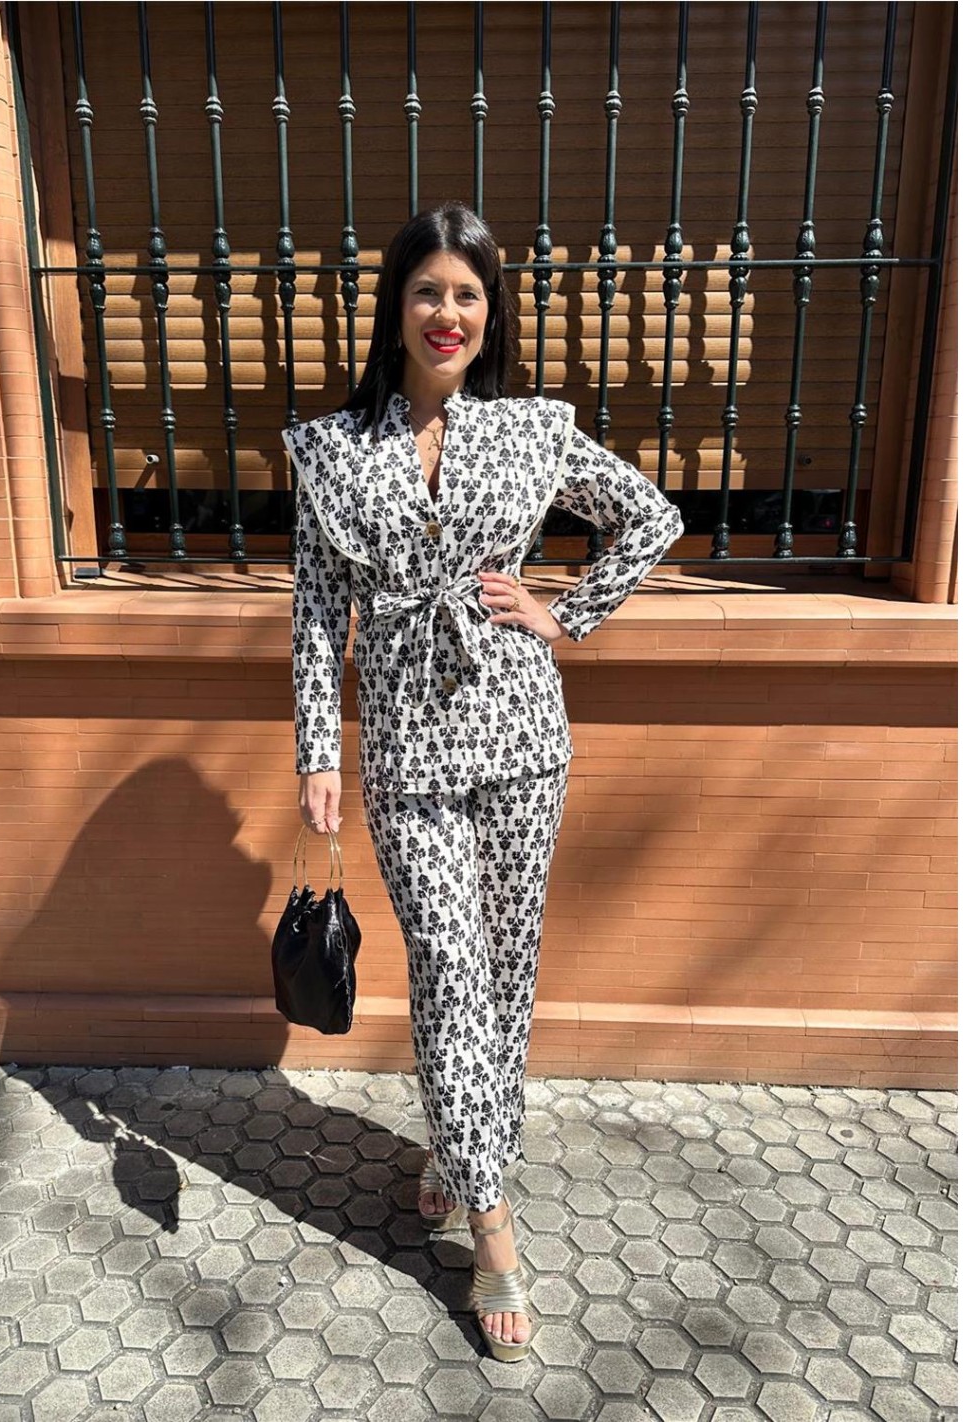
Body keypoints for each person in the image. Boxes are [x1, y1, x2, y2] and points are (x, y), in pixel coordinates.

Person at [282, 200, 684, 1362]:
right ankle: (493, 1228)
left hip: (520, 739)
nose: (446, 313)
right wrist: (317, 747)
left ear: (488, 310)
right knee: (450, 971)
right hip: (406, 750)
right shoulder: (333, 448)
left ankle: (460, 1154)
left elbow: (649, 518)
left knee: (504, 975)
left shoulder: (528, 430)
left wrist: (566, 612)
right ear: (395, 307)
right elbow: (315, 605)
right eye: (427, 291)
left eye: (466, 293)